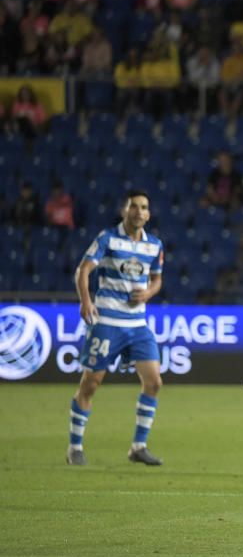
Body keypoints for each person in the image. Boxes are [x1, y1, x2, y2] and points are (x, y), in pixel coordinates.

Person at [67, 191, 165, 467]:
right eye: (134, 206)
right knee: (91, 383)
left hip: (138, 324)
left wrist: (148, 294)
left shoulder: (154, 245)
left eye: (144, 207)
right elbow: (83, 270)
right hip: (107, 322)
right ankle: (75, 446)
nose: (139, 211)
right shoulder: (107, 238)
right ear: (124, 210)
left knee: (154, 382)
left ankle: (138, 447)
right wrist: (86, 300)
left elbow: (157, 279)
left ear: (149, 213)